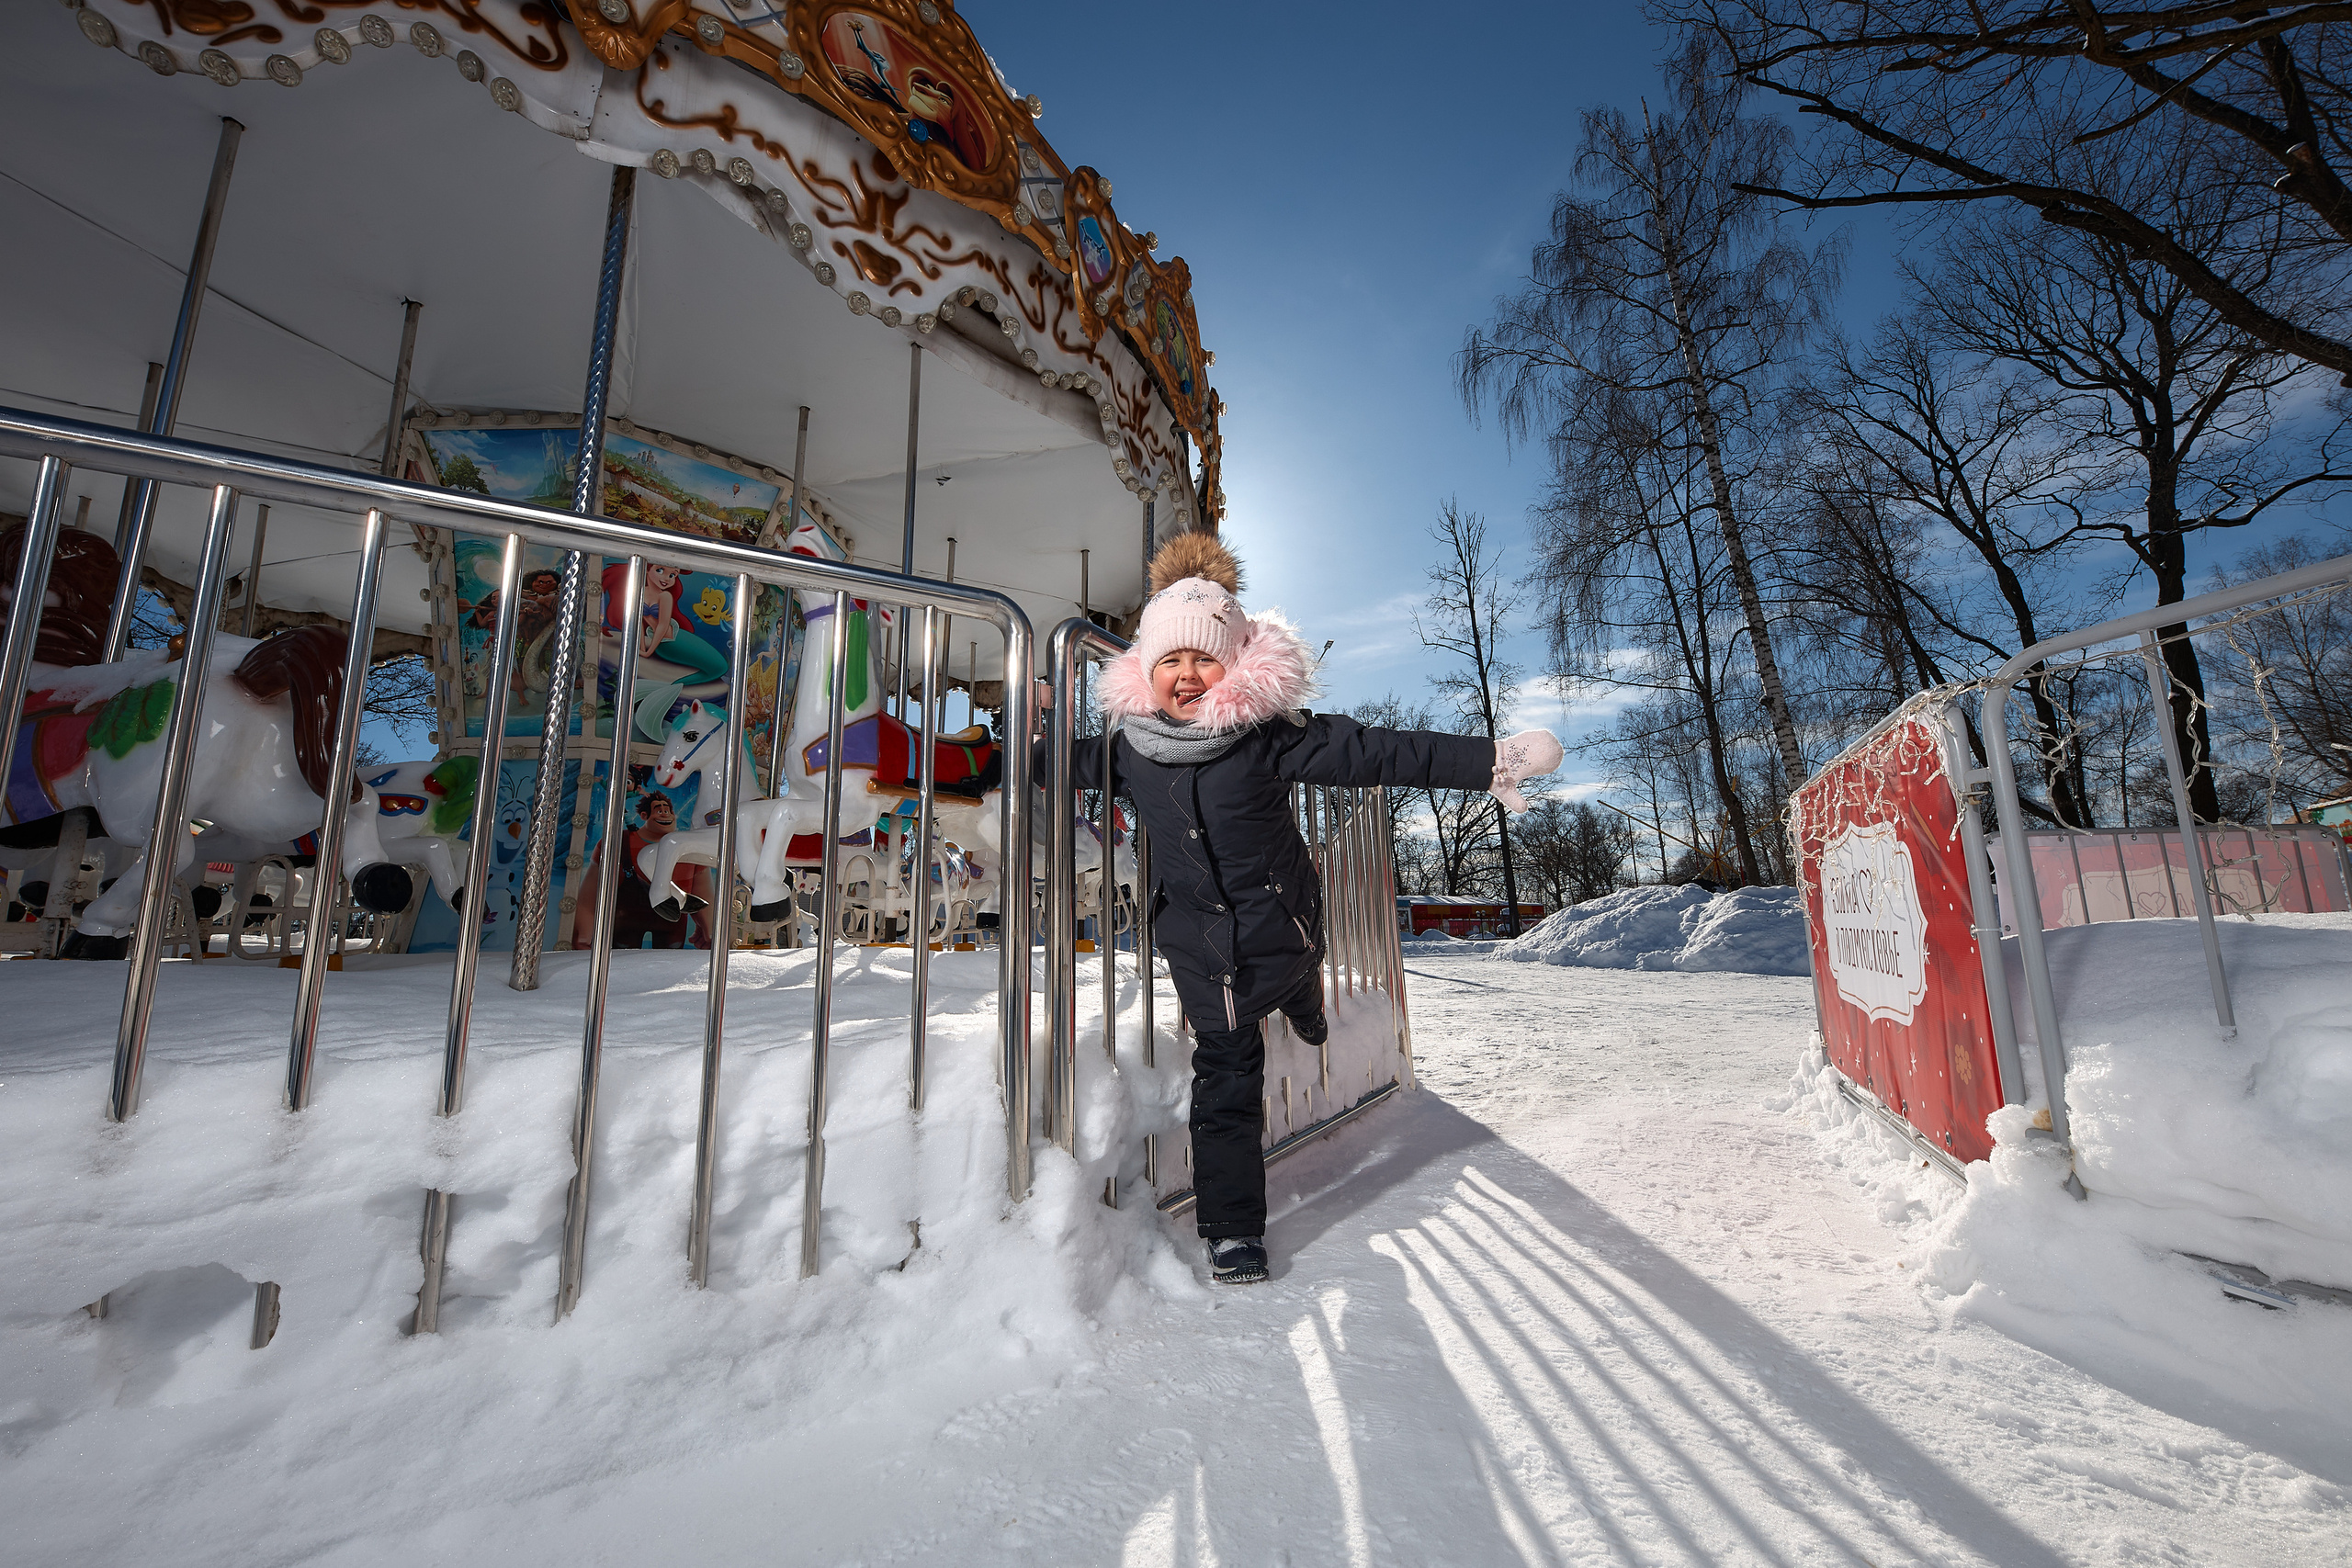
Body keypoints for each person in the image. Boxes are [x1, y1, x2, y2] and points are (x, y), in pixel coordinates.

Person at [1044, 533, 1561, 1284]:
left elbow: (1380, 751)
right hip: (1201, 947)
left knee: (1294, 975)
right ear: (1146, 672)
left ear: (1231, 665)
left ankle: (1303, 995)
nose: (1187, 675)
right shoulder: (1129, 749)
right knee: (1226, 1075)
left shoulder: (1267, 737)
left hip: (1281, 920)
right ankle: (1232, 1231)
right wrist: (962, 757)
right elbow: (1048, 766)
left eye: (1203, 659)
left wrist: (1489, 760)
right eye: (1170, 661)